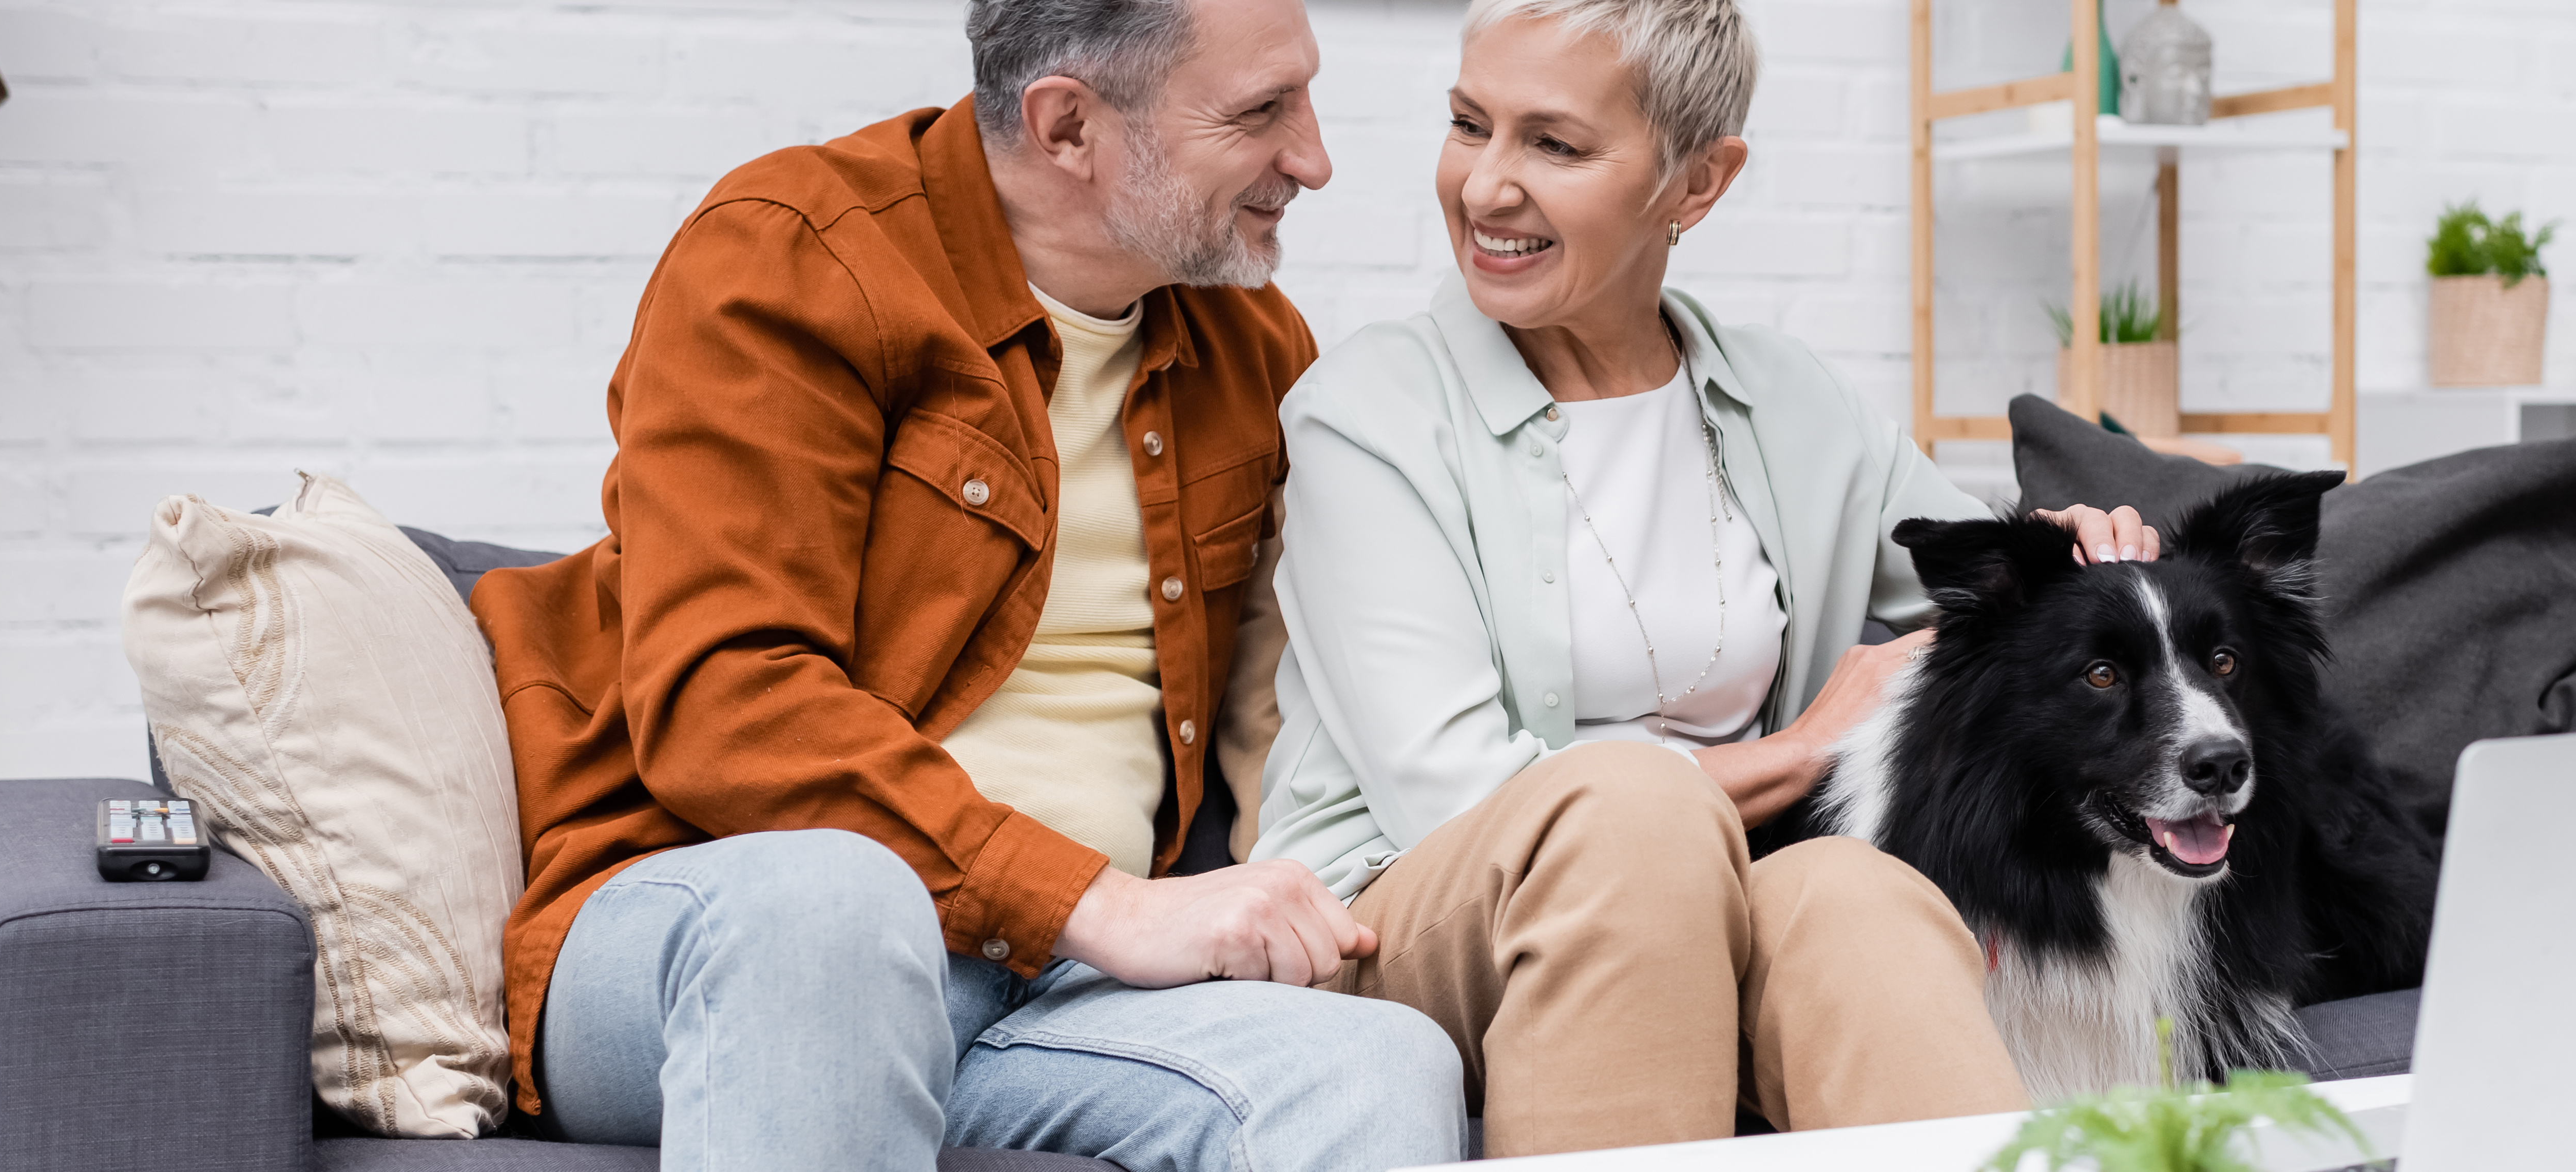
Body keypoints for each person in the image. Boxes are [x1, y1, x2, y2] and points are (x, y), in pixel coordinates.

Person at [464, 0, 1464, 1166]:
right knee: (842, 905)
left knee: (1376, 1063)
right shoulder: (793, 255)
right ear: (1068, 127)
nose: (1314, 158)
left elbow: (1280, 712)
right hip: (720, 934)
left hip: (1068, 985)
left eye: (1303, 97)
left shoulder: (1249, 345)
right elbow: (725, 702)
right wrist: (1102, 903)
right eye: (1258, 113)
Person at [1254, 0, 2164, 1156]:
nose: (1483, 188)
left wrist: (2070, 558)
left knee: (1857, 896)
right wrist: (1796, 750)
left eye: (1553, 144)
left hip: (1718, 896)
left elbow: (1983, 615)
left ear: (1697, 182)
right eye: (1467, 124)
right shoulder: (1368, 413)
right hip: (1401, 915)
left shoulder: (1792, 402)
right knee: (1631, 817)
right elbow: (1451, 796)